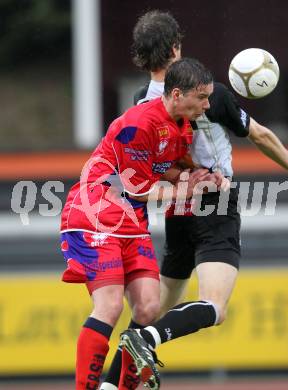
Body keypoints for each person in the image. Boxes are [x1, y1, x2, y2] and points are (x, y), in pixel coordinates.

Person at [100, 10, 288, 390]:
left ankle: (108, 384)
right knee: (214, 307)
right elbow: (260, 135)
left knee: (154, 310)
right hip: (215, 203)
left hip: (177, 208)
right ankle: (147, 342)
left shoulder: (141, 102)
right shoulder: (208, 93)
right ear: (175, 48)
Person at [59, 57, 224, 390]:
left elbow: (162, 169)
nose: (207, 105)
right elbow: (137, 187)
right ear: (177, 94)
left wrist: (198, 175)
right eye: (202, 98)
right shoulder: (139, 123)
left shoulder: (181, 128)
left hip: (131, 221)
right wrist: (187, 188)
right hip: (96, 212)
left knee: (148, 308)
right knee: (110, 305)